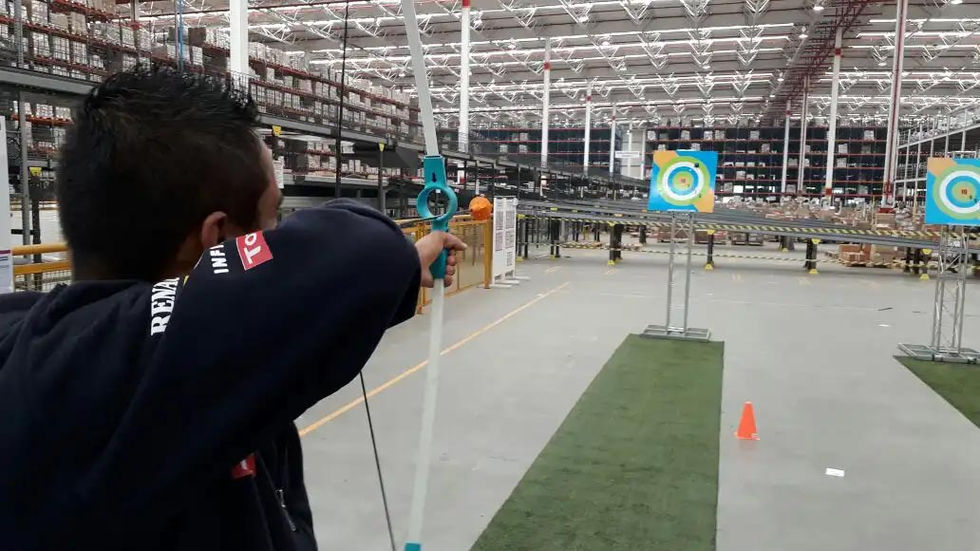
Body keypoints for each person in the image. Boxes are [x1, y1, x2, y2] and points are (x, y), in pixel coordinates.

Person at [0, 65, 465, 550]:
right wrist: (398, 257)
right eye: (273, 215)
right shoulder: (128, 365)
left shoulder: (37, 335)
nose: (279, 234)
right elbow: (364, 249)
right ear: (218, 239)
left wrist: (410, 262)